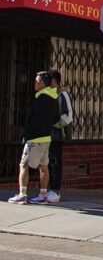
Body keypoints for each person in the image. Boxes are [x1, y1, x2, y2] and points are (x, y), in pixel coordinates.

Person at [9, 71, 60, 204]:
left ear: (42, 83)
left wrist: (27, 135)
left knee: (24, 165)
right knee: (44, 166)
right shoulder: (54, 97)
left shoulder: (41, 98)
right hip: (46, 138)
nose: (35, 84)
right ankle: (43, 195)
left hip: (35, 138)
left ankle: (22, 194)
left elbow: (34, 119)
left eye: (36, 82)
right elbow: (57, 118)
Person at [46, 70, 73, 204]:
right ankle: (45, 189)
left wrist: (52, 122)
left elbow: (68, 117)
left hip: (56, 136)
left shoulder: (62, 94)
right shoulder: (46, 93)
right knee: (45, 162)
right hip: (44, 135)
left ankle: (55, 190)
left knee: (54, 162)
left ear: (54, 80)